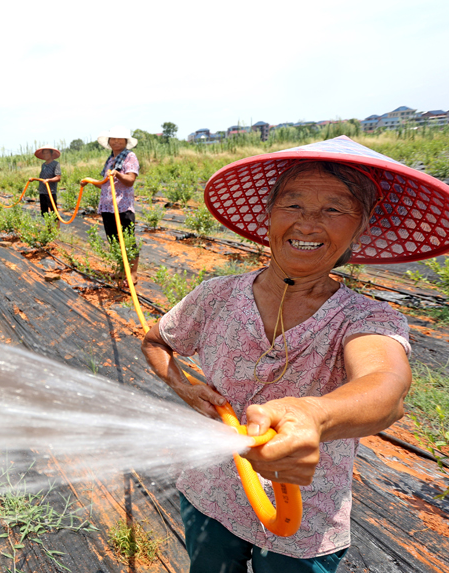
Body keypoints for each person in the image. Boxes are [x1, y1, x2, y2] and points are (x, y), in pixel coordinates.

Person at [141, 135, 449, 572]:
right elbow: (156, 342)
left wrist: (312, 415)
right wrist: (185, 387)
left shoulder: (366, 318)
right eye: (293, 205)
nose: (307, 224)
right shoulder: (216, 296)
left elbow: (387, 387)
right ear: (267, 216)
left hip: (305, 517)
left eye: (334, 209)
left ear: (363, 226)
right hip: (210, 491)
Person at [91, 126, 140, 282]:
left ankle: (132, 273)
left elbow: (130, 181)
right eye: (113, 139)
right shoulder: (110, 160)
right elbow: (105, 183)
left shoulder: (129, 157)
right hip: (107, 207)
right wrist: (90, 182)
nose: (116, 141)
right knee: (114, 240)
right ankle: (121, 270)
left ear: (126, 141)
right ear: (109, 142)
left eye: (120, 138)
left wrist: (118, 173)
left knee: (127, 240)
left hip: (123, 207)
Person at [35, 147, 62, 222]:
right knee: (44, 213)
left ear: (51, 154)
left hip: (51, 192)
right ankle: (49, 230)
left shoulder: (55, 164)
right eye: (44, 153)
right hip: (42, 192)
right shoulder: (43, 165)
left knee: (54, 212)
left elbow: (58, 178)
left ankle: (57, 231)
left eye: (47, 153)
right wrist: (33, 179)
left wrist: (49, 180)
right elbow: (43, 178)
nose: (45, 154)